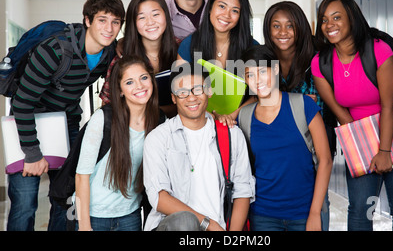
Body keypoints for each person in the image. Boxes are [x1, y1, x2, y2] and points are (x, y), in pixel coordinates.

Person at [7, 0, 125, 231]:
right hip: (27, 123)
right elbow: (22, 103)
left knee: (64, 197)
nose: (109, 28)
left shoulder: (108, 53)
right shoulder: (55, 50)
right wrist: (32, 154)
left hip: (65, 124)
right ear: (88, 20)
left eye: (115, 22)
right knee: (26, 204)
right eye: (102, 20)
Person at [311, 0, 393, 231]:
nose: (329, 25)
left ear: (352, 19)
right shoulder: (320, 62)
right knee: (359, 208)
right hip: (361, 134)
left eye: (337, 17)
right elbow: (340, 112)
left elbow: (389, 105)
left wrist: (384, 151)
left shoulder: (378, 50)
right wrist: (362, 145)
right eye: (324, 20)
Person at [143, 61, 255, 231]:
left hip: (221, 227)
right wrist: (208, 224)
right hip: (173, 227)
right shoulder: (158, 138)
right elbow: (159, 198)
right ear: (173, 98)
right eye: (182, 92)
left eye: (198, 89)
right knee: (185, 221)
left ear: (209, 91)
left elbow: (243, 191)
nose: (191, 97)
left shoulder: (232, 135)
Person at [238, 45, 332, 231]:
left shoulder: (303, 105)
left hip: (304, 213)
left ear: (275, 70)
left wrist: (314, 213)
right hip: (263, 215)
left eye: (262, 71)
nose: (257, 80)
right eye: (250, 75)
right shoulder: (244, 116)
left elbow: (326, 161)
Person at [262, 1, 337, 230]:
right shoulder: (265, 63)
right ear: (268, 29)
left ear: (300, 28)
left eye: (289, 26)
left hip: (313, 150)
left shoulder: (318, 60)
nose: (282, 32)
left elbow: (318, 108)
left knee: (316, 208)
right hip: (279, 153)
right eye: (276, 26)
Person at [75, 56, 161, 231]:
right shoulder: (103, 119)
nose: (139, 86)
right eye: (129, 82)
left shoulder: (159, 120)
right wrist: (85, 226)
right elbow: (81, 176)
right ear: (120, 90)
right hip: (94, 215)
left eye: (144, 78)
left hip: (130, 215)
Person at [177, 0, 259, 124]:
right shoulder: (189, 44)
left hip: (241, 121)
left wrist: (232, 116)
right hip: (198, 119)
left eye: (234, 10)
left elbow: (258, 92)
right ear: (210, 8)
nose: (226, 15)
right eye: (222, 6)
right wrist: (208, 115)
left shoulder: (252, 47)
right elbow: (179, 88)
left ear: (240, 16)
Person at [100, 0, 178, 118]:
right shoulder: (123, 58)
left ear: (166, 16)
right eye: (141, 17)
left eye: (156, 14)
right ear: (133, 23)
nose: (150, 22)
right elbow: (108, 107)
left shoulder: (183, 50)